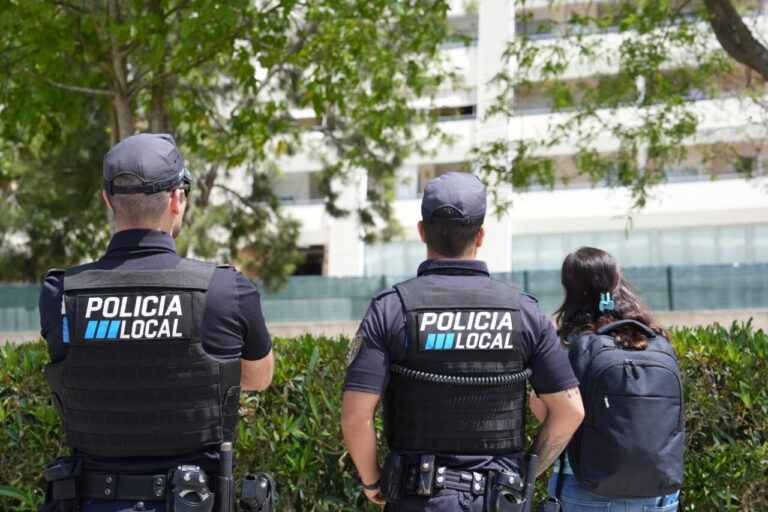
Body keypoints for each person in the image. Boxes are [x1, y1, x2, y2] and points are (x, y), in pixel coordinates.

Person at [38, 133, 275, 512]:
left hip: (90, 499)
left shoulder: (61, 293)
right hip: (193, 499)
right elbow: (259, 379)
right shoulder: (224, 289)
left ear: (107, 201)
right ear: (177, 199)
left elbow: (86, 367)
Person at [341, 172, 584, 512]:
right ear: (481, 235)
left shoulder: (391, 308)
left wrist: (372, 482)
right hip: (498, 499)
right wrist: (523, 477)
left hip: (417, 498)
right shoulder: (524, 311)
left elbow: (355, 416)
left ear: (422, 230)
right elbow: (570, 410)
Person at [529, 247, 681, 512]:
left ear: (570, 288)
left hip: (584, 487)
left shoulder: (567, 343)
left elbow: (550, 410)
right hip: (659, 491)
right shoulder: (653, 339)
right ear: (618, 279)